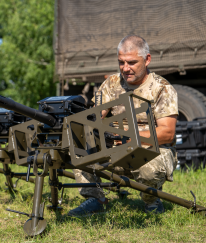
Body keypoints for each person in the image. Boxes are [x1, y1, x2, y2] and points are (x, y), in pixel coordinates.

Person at [68, 35, 178, 216]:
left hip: (152, 149)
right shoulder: (112, 84)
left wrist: (128, 136)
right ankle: (96, 199)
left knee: (148, 169)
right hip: (115, 148)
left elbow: (167, 133)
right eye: (121, 62)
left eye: (132, 62)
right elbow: (95, 116)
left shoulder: (162, 88)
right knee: (80, 148)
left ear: (147, 59)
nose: (125, 69)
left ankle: (151, 201)